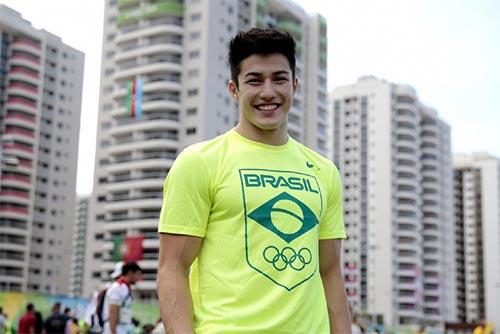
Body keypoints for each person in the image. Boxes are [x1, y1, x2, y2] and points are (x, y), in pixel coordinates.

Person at [157, 28, 351, 333]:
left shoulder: (324, 172)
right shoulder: (199, 162)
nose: (268, 92)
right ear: (234, 89)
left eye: (279, 78)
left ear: (295, 85)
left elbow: (329, 273)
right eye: (254, 80)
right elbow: (172, 269)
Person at [102, 261, 142, 334]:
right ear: (130, 273)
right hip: (116, 328)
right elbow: (113, 311)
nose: (138, 278)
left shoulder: (125, 287)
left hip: (123, 327)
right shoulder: (118, 288)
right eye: (137, 274)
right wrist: (113, 332)